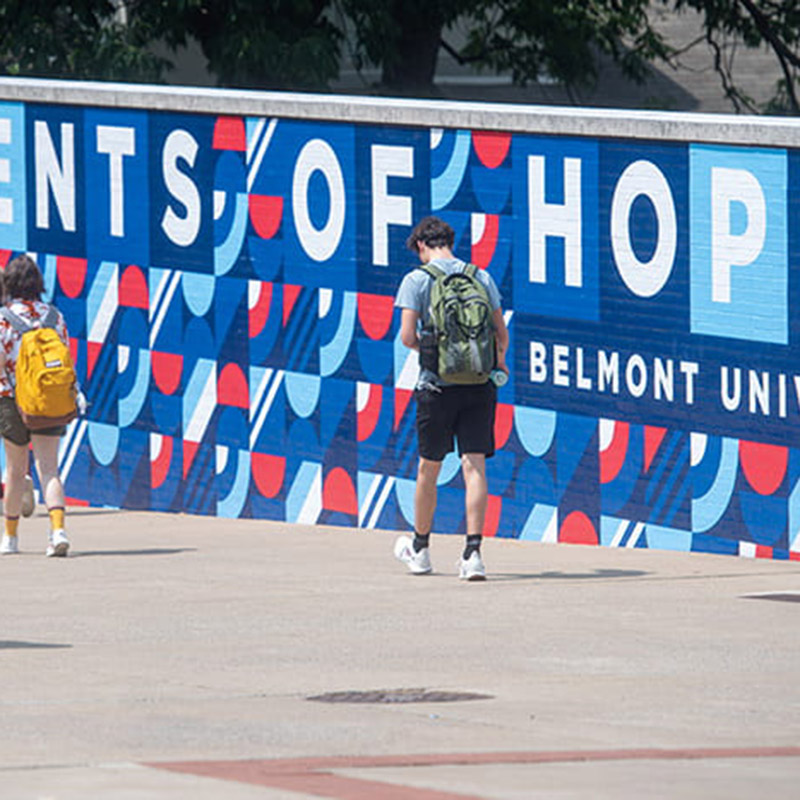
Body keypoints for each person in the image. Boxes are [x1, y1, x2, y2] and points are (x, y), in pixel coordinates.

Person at [393, 216, 509, 580]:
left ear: (422, 246)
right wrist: (495, 364)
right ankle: (473, 555)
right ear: (450, 242)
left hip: (435, 386)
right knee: (475, 466)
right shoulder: (481, 277)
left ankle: (421, 549)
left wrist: (438, 351)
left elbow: (407, 337)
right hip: (479, 385)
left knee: (429, 468)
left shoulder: (417, 279)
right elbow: (500, 334)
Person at [0, 255, 71, 557]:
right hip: (49, 400)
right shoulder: (54, 316)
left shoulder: (4, 318)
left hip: (11, 400)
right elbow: (65, 356)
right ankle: (57, 532)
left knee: (16, 471)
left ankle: (11, 538)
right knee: (49, 468)